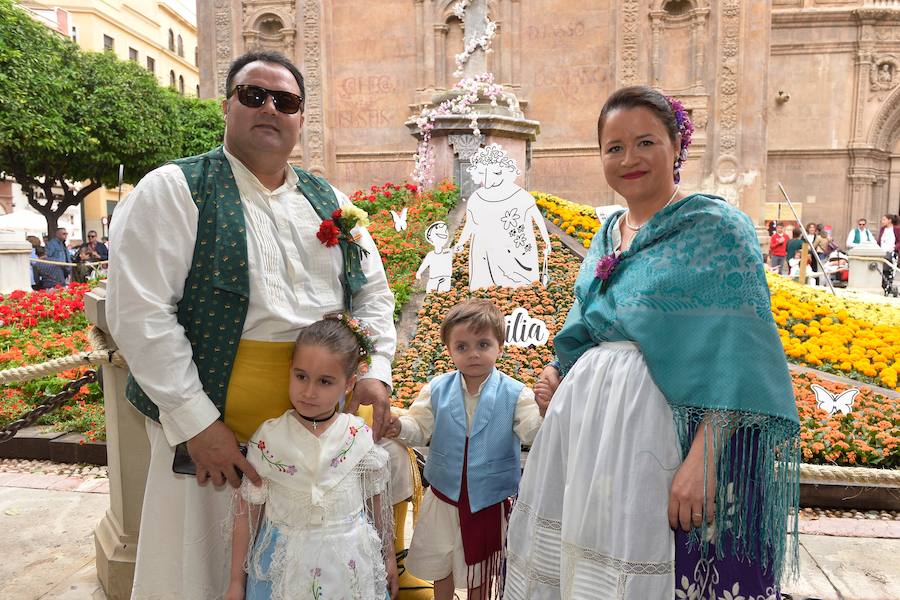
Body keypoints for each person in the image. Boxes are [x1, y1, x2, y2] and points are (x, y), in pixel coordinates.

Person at [107, 50, 400, 599]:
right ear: (226, 105)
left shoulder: (328, 199)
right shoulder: (174, 189)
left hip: (317, 439)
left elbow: (373, 292)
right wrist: (197, 425)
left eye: (285, 101)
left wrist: (376, 369)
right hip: (216, 432)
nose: (269, 108)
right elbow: (140, 313)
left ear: (301, 119)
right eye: (252, 95)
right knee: (206, 574)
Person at [503, 86, 799, 600]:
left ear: (675, 145)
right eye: (613, 147)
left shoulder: (716, 228)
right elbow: (591, 318)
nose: (629, 158)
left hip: (667, 438)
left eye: (645, 142)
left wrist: (703, 463)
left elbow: (740, 354)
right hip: (592, 439)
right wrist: (559, 369)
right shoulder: (608, 230)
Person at [225, 317, 398, 600]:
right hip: (283, 569)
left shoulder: (356, 435)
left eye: (325, 382)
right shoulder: (270, 437)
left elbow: (376, 499)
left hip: (350, 567)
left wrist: (388, 555)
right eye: (301, 376)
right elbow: (247, 513)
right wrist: (235, 581)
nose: (308, 391)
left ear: (348, 384)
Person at [385, 299, 542, 600]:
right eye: (462, 346)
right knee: (441, 565)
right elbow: (419, 427)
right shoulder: (436, 389)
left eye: (483, 344)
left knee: (480, 571)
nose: (473, 354)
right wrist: (399, 427)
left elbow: (534, 431)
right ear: (450, 350)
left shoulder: (516, 393)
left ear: (500, 347)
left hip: (488, 499)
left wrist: (549, 413)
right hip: (444, 495)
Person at [454, 144, 551, 290]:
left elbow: (537, 218)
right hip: (484, 251)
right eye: (482, 173)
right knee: (485, 287)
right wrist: (461, 242)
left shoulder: (520, 195)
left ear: (501, 171)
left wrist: (546, 240)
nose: (486, 178)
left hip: (512, 249)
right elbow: (471, 224)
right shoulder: (477, 197)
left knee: (517, 285)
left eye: (492, 173)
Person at [415, 221, 453, 292]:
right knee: (431, 293)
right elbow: (425, 264)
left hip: (446, 278)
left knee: (443, 294)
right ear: (429, 237)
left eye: (445, 231)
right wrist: (419, 272)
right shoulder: (431, 255)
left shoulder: (448, 252)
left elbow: (455, 250)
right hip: (433, 279)